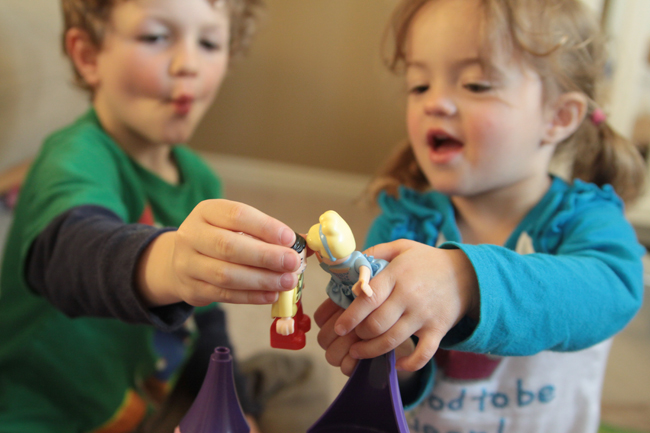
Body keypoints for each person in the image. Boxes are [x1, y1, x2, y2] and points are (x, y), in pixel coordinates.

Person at [314, 0, 646, 432]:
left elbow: (613, 289)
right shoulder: (405, 227)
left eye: (475, 84)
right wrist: (387, 351)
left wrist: (468, 281)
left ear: (558, 117)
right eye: (419, 86)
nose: (434, 103)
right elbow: (398, 374)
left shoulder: (585, 219)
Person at [0, 0, 304, 432]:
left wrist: (239, 410)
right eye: (156, 37)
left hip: (148, 398)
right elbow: (67, 250)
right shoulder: (72, 157)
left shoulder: (199, 181)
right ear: (88, 56)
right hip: (43, 412)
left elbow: (208, 323)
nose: (188, 64)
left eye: (210, 42)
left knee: (294, 377)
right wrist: (171, 262)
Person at [306, 210, 387, 309]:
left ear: (333, 255)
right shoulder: (329, 265)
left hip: (363, 282)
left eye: (321, 254)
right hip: (346, 289)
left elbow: (365, 267)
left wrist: (363, 280)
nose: (319, 256)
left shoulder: (355, 259)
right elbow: (322, 262)